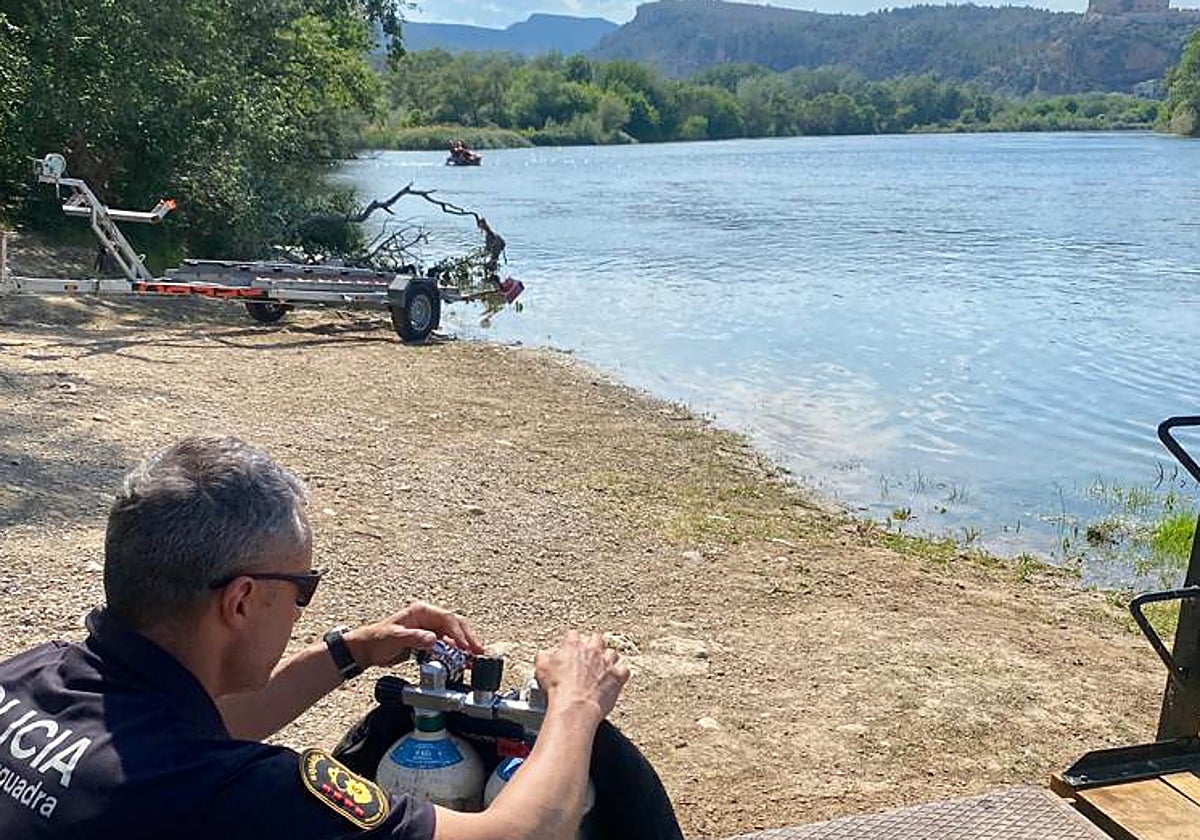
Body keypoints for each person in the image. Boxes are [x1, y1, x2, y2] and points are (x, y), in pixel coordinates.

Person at [0, 436, 629, 839]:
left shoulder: (30, 677)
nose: (301, 610)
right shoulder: (236, 795)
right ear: (241, 600)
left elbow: (210, 725)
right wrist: (576, 703)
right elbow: (522, 835)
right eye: (302, 586)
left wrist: (349, 652)